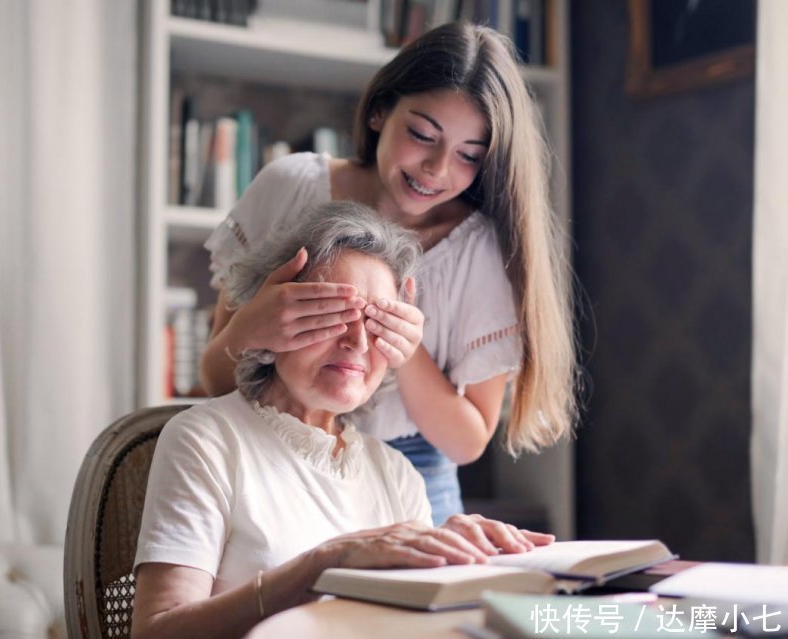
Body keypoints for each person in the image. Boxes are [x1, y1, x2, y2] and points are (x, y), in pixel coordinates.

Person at [200, 22, 578, 525]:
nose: (436, 169)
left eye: (468, 155)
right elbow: (214, 380)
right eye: (421, 135)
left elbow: (467, 442)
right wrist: (251, 328)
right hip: (274, 456)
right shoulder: (289, 188)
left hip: (414, 476)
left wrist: (403, 347)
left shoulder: (479, 252)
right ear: (379, 111)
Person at [131, 202, 554, 639]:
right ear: (276, 316)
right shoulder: (205, 442)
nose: (357, 342)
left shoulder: (397, 475)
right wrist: (326, 562)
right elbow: (155, 633)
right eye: (332, 314)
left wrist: (465, 563)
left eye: (377, 322)